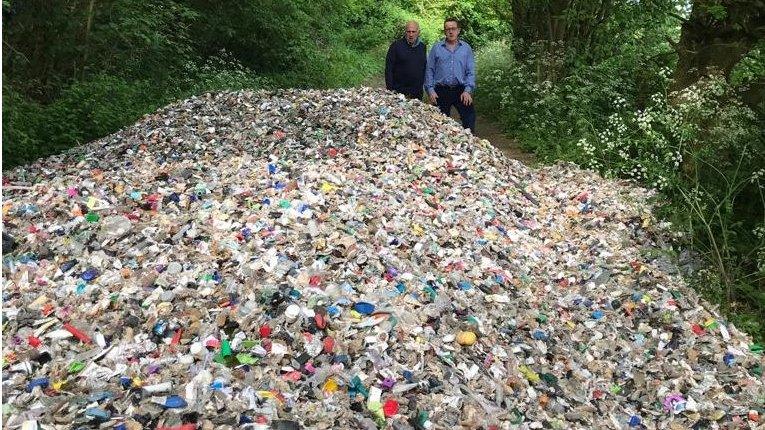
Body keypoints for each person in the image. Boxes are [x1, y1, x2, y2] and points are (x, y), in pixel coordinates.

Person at [424, 18, 476, 134]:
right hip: (440, 90)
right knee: (438, 123)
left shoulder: (466, 48)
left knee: (470, 118)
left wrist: (468, 90)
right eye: (447, 29)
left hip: (461, 90)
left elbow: (470, 72)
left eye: (453, 29)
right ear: (444, 31)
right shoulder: (437, 48)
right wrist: (430, 90)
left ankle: (469, 145)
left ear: (458, 30)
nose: (450, 32)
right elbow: (429, 70)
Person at [385, 21, 426, 100]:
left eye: (413, 32)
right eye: (408, 31)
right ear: (405, 32)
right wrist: (390, 90)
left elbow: (424, 68)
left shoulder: (422, 47)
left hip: (416, 93)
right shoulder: (396, 46)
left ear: (418, 32)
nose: (411, 34)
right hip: (398, 92)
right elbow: (388, 69)